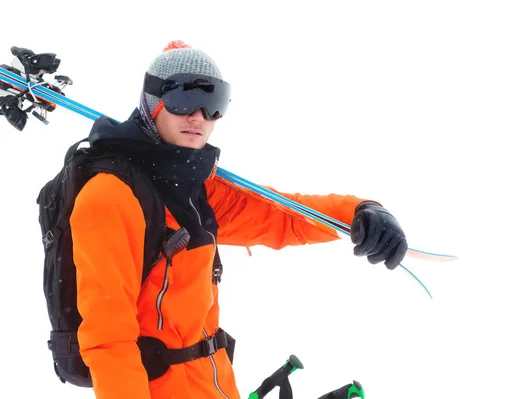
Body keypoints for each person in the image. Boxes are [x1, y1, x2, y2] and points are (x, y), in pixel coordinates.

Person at [69, 40, 408, 399]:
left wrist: (360, 211)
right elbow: (109, 343)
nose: (199, 117)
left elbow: (284, 218)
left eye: (213, 104)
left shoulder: (199, 191)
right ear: (153, 102)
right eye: (184, 99)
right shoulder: (110, 196)